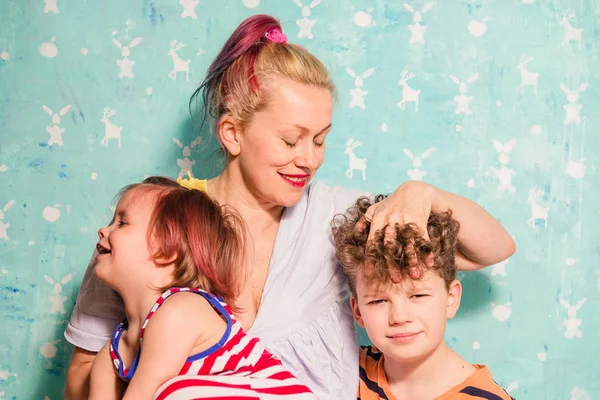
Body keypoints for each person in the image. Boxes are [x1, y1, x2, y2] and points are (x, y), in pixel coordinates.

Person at [64, 14, 515, 400]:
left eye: (320, 140)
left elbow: (491, 248)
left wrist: (423, 194)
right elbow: (82, 376)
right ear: (232, 134)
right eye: (290, 139)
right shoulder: (152, 225)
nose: (310, 159)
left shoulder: (337, 217)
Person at [88, 175, 315, 399]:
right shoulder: (110, 357)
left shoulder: (182, 310)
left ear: (168, 251)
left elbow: (143, 395)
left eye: (122, 223)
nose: (104, 230)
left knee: (173, 393)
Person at [332, 195, 514, 400]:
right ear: (357, 311)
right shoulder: (341, 372)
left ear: (451, 298)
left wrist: (420, 191)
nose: (399, 317)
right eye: (378, 300)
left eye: (417, 295)